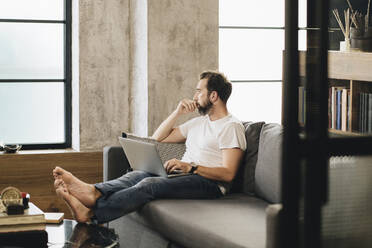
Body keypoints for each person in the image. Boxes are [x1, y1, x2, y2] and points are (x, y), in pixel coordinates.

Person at [53, 71, 247, 223]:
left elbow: (228, 174)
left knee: (149, 185)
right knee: (137, 175)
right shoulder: (199, 123)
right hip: (184, 175)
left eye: (199, 91)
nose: (194, 96)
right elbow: (158, 138)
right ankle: (93, 192)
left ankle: (91, 213)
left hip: (209, 184)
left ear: (213, 96)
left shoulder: (231, 126)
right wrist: (177, 112)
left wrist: (192, 167)